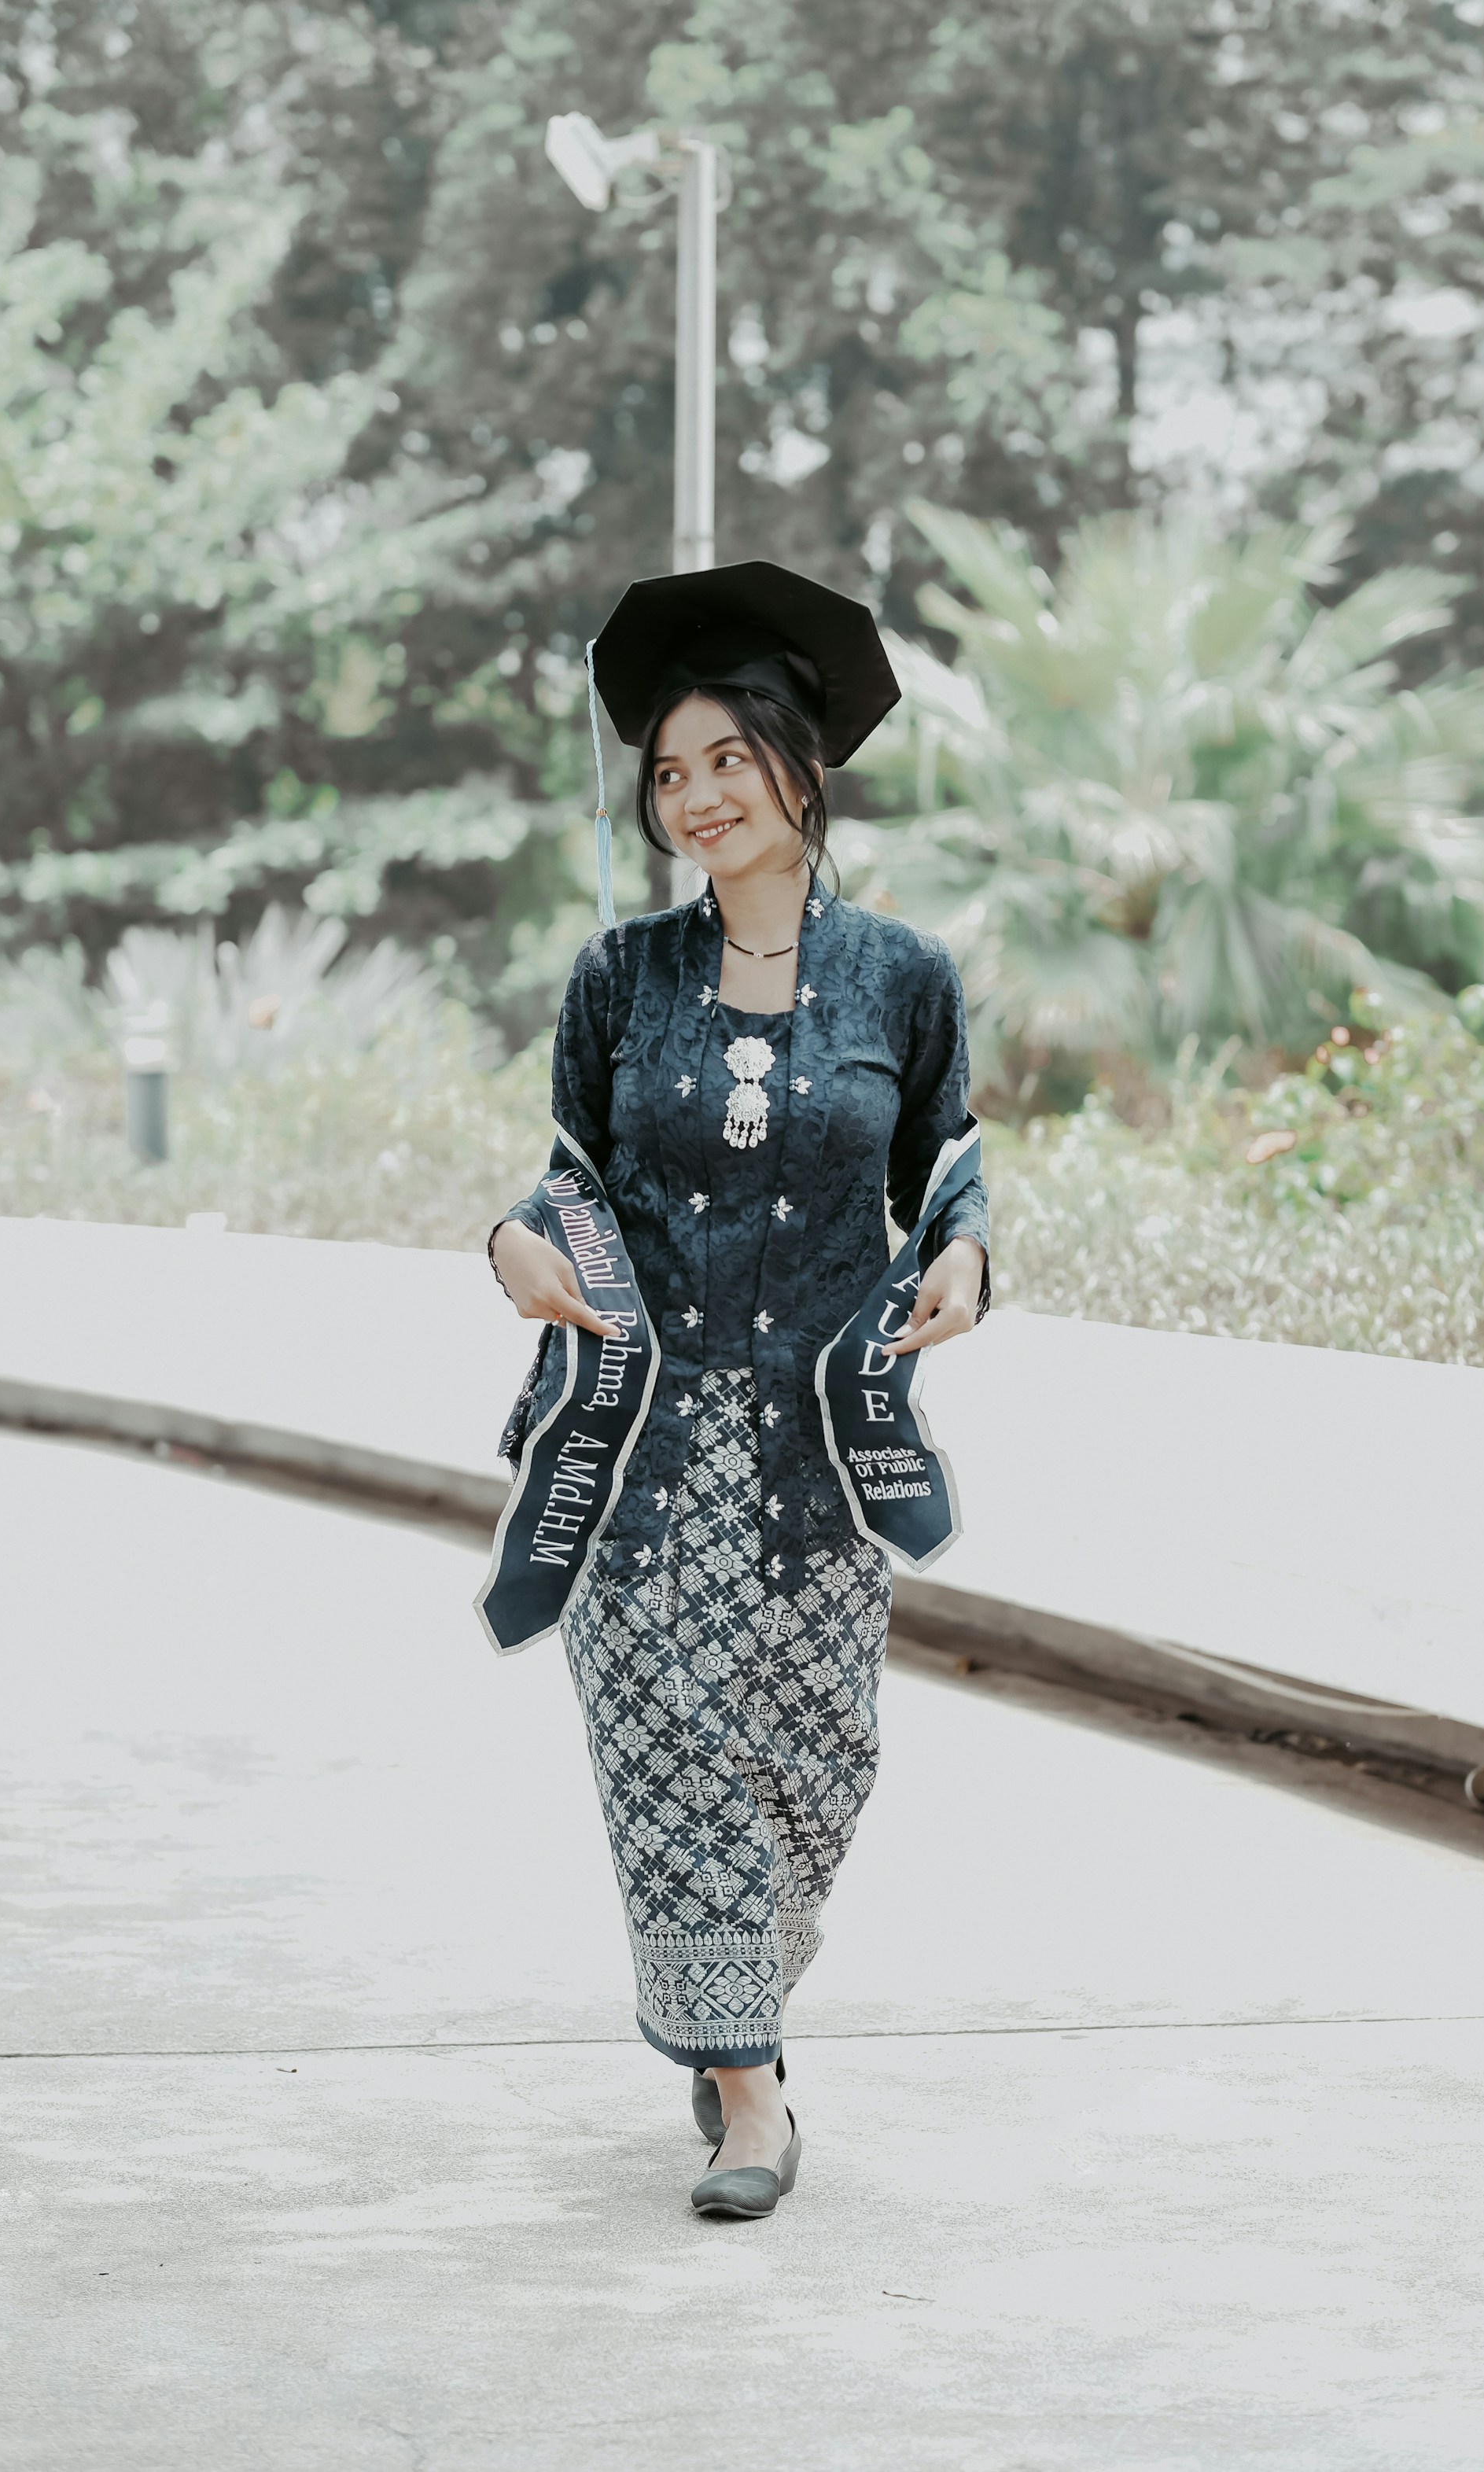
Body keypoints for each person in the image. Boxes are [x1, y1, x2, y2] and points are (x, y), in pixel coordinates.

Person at [488, 563, 989, 2220]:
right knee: (677, 1755)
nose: (695, 796)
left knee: (818, 1769)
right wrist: (511, 1242)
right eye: (668, 772)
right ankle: (751, 2098)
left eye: (725, 759)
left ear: (801, 762)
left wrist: (966, 1260)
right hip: (637, 1456)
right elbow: (565, 1180)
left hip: (819, 1461)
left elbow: (949, 1174)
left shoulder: (903, 978)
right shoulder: (617, 977)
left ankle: (731, 2021)